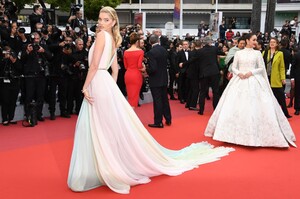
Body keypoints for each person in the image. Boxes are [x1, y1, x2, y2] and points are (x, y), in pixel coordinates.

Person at [67, 6, 233, 194]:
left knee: (98, 127)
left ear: (113, 22)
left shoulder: (101, 37)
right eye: (100, 19)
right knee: (107, 127)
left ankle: (105, 169)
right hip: (104, 83)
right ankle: (109, 167)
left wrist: (86, 86)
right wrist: (109, 86)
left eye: (106, 19)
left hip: (97, 82)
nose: (101, 22)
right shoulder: (113, 39)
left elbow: (95, 65)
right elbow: (114, 70)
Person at [204, 33, 296, 148]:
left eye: (256, 40)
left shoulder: (257, 53)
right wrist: (239, 73)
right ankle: (230, 134)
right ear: (247, 40)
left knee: (254, 107)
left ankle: (255, 135)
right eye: (253, 40)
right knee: (235, 106)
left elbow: (261, 68)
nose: (255, 42)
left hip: (254, 81)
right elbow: (233, 67)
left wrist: (251, 72)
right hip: (238, 81)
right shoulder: (238, 53)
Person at [145, 34, 172, 127]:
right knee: (165, 99)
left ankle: (158, 122)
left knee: (157, 101)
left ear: (150, 42)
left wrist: (146, 69)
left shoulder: (151, 52)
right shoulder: (164, 50)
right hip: (164, 78)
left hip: (155, 79)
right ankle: (168, 119)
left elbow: (153, 68)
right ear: (158, 41)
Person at [263, 37, 292, 118]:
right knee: (268, 97)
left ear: (277, 44)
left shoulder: (279, 53)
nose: (272, 43)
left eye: (274, 42)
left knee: (281, 96)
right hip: (266, 78)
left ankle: (285, 113)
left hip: (276, 78)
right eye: (271, 42)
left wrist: (283, 78)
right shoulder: (265, 53)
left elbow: (282, 67)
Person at [123, 32, 145, 108]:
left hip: (128, 75)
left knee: (130, 96)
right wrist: (144, 68)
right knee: (135, 96)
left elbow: (125, 66)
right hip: (136, 75)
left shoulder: (125, 52)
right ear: (136, 42)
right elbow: (139, 65)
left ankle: (129, 116)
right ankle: (131, 117)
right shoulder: (140, 52)